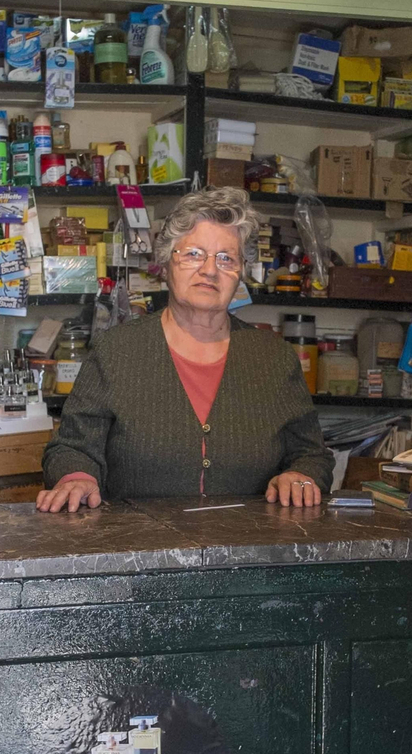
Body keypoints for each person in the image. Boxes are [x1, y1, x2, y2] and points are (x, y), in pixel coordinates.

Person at [38, 187, 332, 511]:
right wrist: (76, 477)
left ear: (240, 275)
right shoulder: (116, 352)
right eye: (193, 254)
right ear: (166, 263)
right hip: (140, 549)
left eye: (226, 259)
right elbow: (71, 448)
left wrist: (301, 475)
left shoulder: (273, 359)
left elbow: (313, 454)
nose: (209, 270)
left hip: (248, 549)